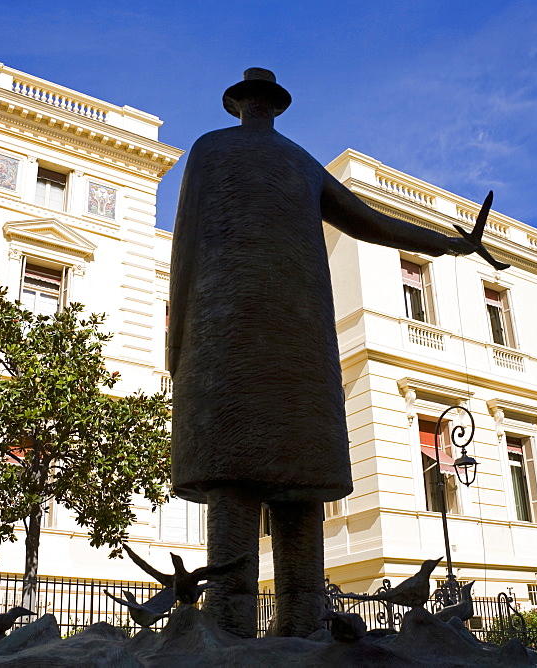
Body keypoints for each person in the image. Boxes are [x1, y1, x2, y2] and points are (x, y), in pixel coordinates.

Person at [168, 68, 485, 638]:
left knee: (240, 491)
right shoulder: (299, 161)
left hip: (232, 335)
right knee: (295, 493)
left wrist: (179, 347)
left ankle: (231, 634)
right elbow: (372, 222)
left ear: (240, 105)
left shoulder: (212, 149)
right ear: (274, 107)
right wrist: (448, 244)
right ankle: (300, 631)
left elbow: (184, 249)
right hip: (289, 342)